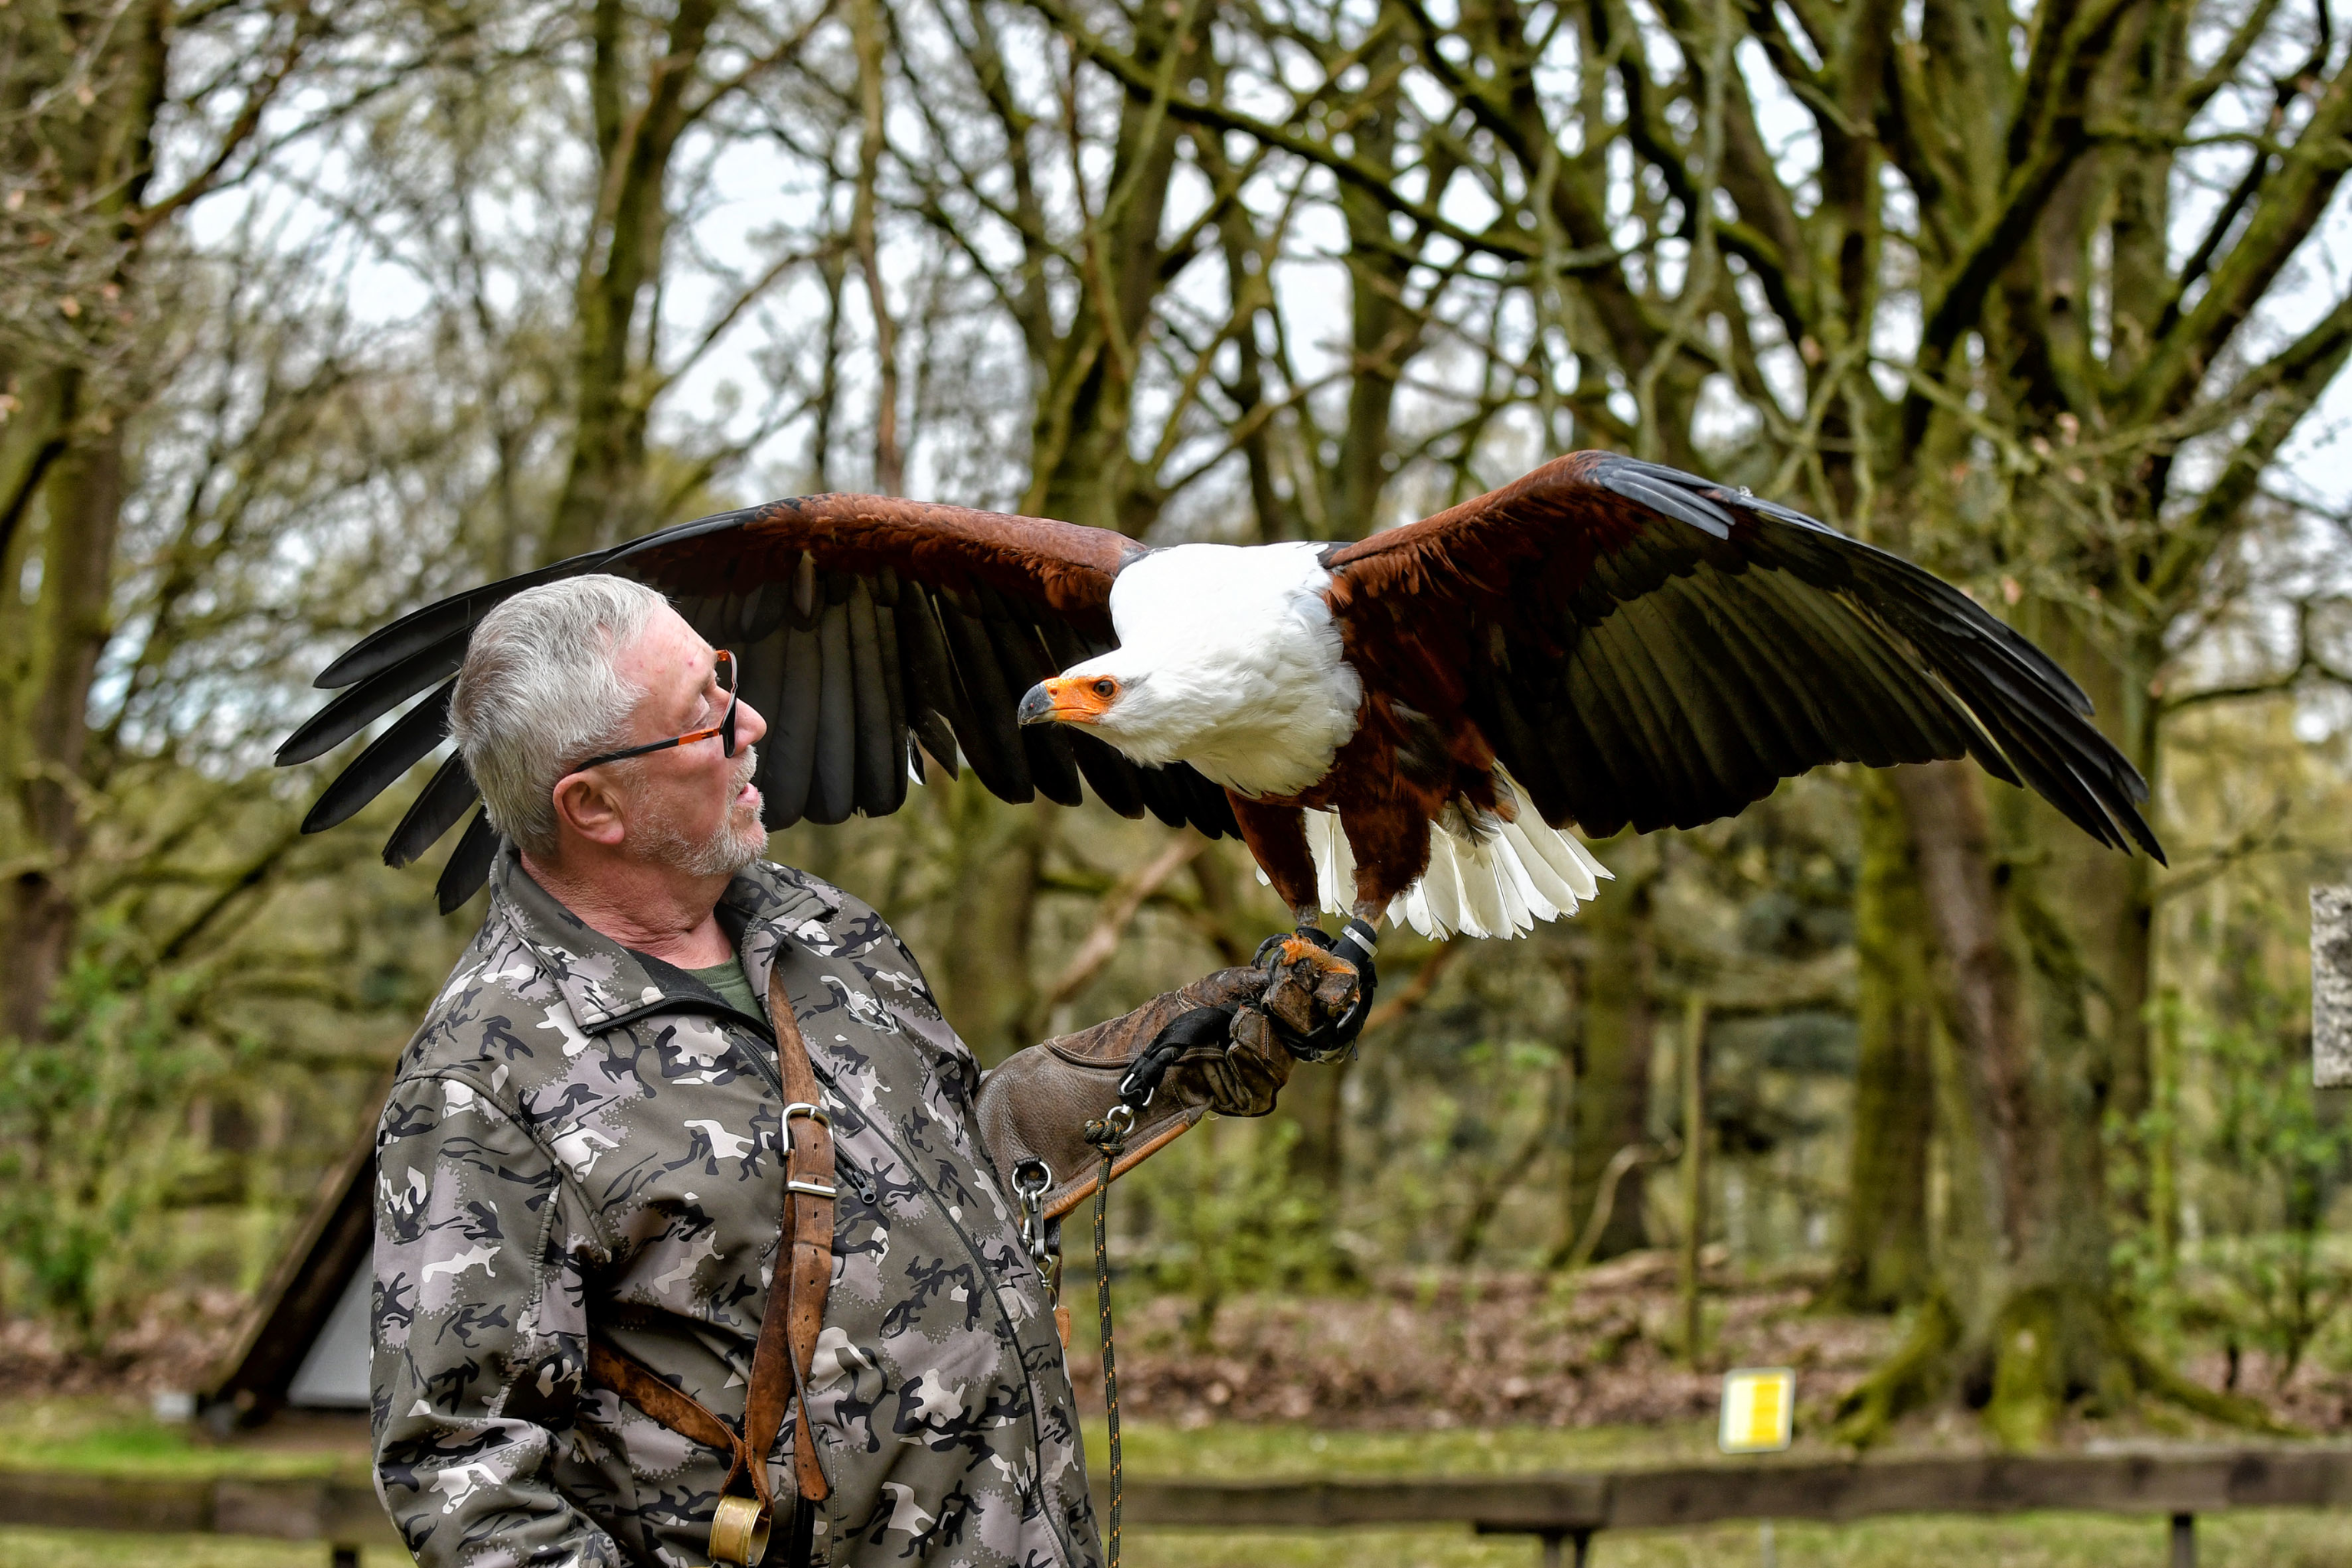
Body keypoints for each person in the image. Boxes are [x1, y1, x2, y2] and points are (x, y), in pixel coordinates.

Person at [371, 574, 1360, 1568]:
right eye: (700, 717)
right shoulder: (488, 1082)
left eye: (725, 677)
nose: (751, 721)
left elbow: (956, 1167)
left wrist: (1180, 1050)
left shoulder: (819, 928)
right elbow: (466, 1486)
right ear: (593, 806)